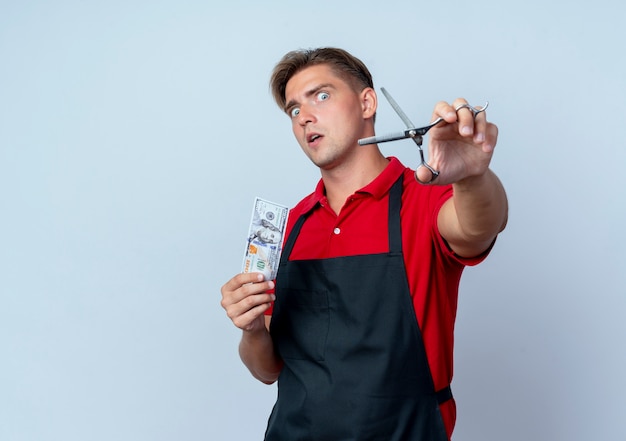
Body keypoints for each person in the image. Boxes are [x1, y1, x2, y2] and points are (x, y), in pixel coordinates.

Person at [220, 47, 508, 440]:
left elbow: (480, 228)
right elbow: (268, 370)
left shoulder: (423, 198)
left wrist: (473, 177)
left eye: (321, 95)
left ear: (367, 102)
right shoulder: (294, 226)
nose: (304, 115)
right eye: (293, 109)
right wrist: (251, 329)